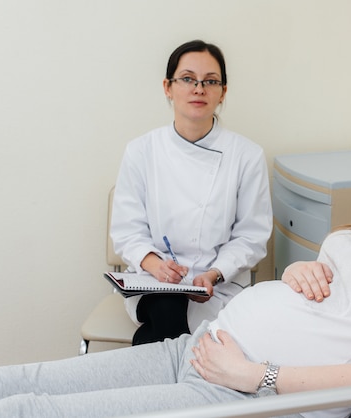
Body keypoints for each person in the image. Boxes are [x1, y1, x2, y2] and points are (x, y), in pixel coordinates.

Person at [0, 89, 351, 418]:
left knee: (27, 411)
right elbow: (337, 296)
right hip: (196, 350)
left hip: (243, 393)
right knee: (12, 383)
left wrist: (254, 376)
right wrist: (300, 270)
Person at [110, 40, 273, 345]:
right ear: (168, 87)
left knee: (163, 327)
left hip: (217, 286)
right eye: (187, 79)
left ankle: (150, 382)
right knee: (167, 304)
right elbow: (126, 230)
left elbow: (251, 236)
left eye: (210, 81)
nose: (199, 89)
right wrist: (155, 265)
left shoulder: (246, 156)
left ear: (223, 92)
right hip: (150, 280)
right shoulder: (141, 151)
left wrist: (212, 274)